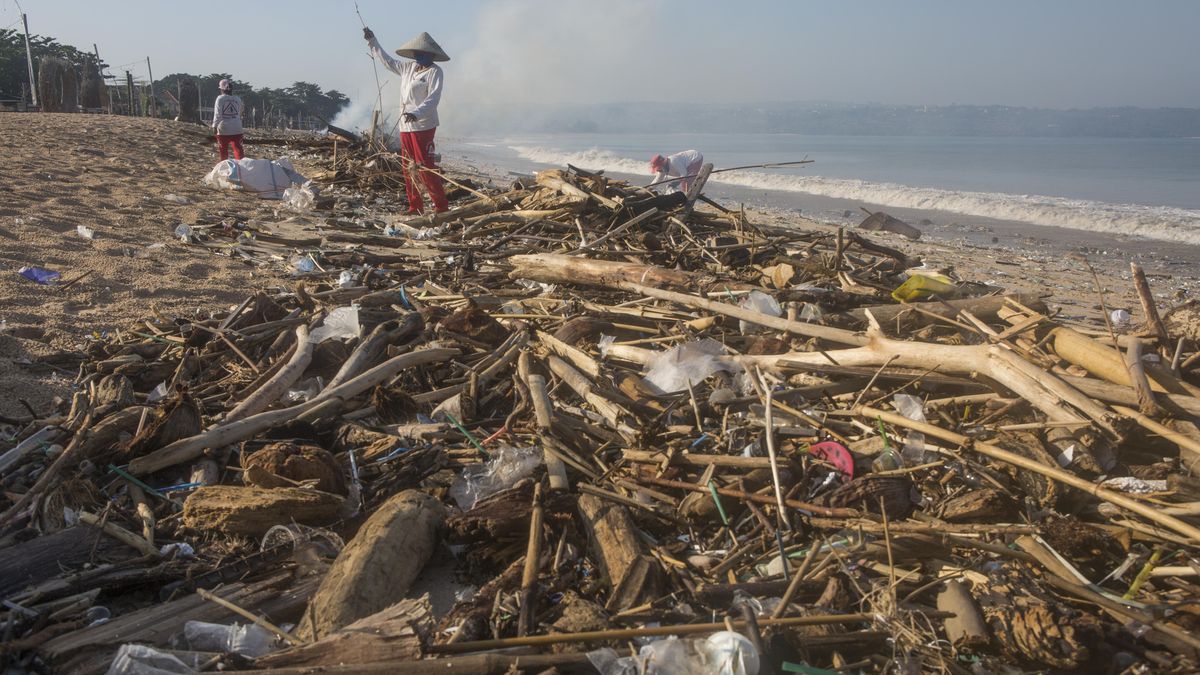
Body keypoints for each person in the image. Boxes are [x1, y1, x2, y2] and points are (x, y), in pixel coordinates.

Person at [362, 26, 450, 214]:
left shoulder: (435, 72)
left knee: (425, 166)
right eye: (419, 53)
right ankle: (415, 205)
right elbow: (387, 62)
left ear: (431, 55)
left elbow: (433, 99)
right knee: (408, 167)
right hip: (405, 126)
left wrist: (416, 113)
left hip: (423, 125)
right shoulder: (408, 68)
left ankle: (441, 206)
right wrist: (373, 42)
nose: (422, 56)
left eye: (426, 54)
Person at [211, 79, 245, 161]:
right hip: (237, 128)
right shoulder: (238, 99)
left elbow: (218, 115)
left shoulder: (220, 99)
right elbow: (240, 113)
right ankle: (241, 168)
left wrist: (214, 126)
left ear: (222, 89)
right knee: (238, 150)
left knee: (223, 151)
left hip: (223, 129)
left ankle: (225, 167)